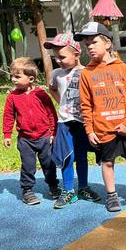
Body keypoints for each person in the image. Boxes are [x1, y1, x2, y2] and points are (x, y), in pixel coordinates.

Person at [76, 21, 126, 212]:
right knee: (107, 162)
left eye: (94, 42)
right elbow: (85, 104)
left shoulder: (125, 69)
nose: (89, 47)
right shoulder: (86, 73)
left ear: (107, 43)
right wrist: (89, 130)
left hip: (125, 128)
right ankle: (112, 195)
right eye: (87, 44)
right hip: (102, 129)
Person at [45, 32, 101, 208]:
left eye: (62, 57)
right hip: (65, 122)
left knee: (82, 155)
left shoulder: (87, 72)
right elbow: (52, 88)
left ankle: (83, 187)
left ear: (76, 54)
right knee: (67, 157)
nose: (58, 61)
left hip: (83, 122)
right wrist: (62, 103)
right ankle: (68, 190)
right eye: (56, 57)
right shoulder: (57, 74)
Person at [2, 57, 60, 205]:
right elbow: (8, 116)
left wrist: (53, 132)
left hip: (44, 137)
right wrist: (7, 135)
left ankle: (53, 186)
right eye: (12, 76)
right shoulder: (12, 97)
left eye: (17, 76)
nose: (13, 79)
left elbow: (51, 113)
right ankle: (27, 191)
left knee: (49, 164)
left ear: (31, 78)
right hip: (25, 139)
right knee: (28, 166)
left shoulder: (41, 94)